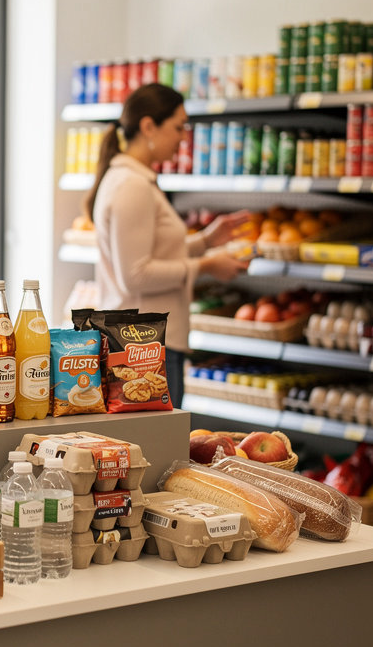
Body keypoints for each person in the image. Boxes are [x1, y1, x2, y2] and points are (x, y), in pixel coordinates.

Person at [83, 82, 250, 407]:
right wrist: (206, 266)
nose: (183, 136)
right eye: (177, 127)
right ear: (148, 126)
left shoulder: (132, 180)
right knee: (160, 452)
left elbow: (152, 254)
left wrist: (206, 241)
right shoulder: (132, 186)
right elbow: (136, 274)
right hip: (144, 347)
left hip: (141, 343)